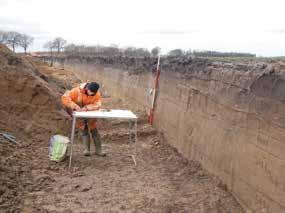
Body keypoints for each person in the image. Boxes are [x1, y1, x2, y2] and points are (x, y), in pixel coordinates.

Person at [61, 82, 106, 157]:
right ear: (87, 88)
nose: (91, 94)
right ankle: (87, 150)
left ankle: (99, 150)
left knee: (94, 130)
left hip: (91, 115)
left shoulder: (97, 94)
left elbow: (97, 105)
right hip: (79, 115)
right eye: (90, 92)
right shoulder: (77, 91)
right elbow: (64, 97)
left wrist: (87, 108)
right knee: (84, 131)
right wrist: (74, 106)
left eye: (93, 94)